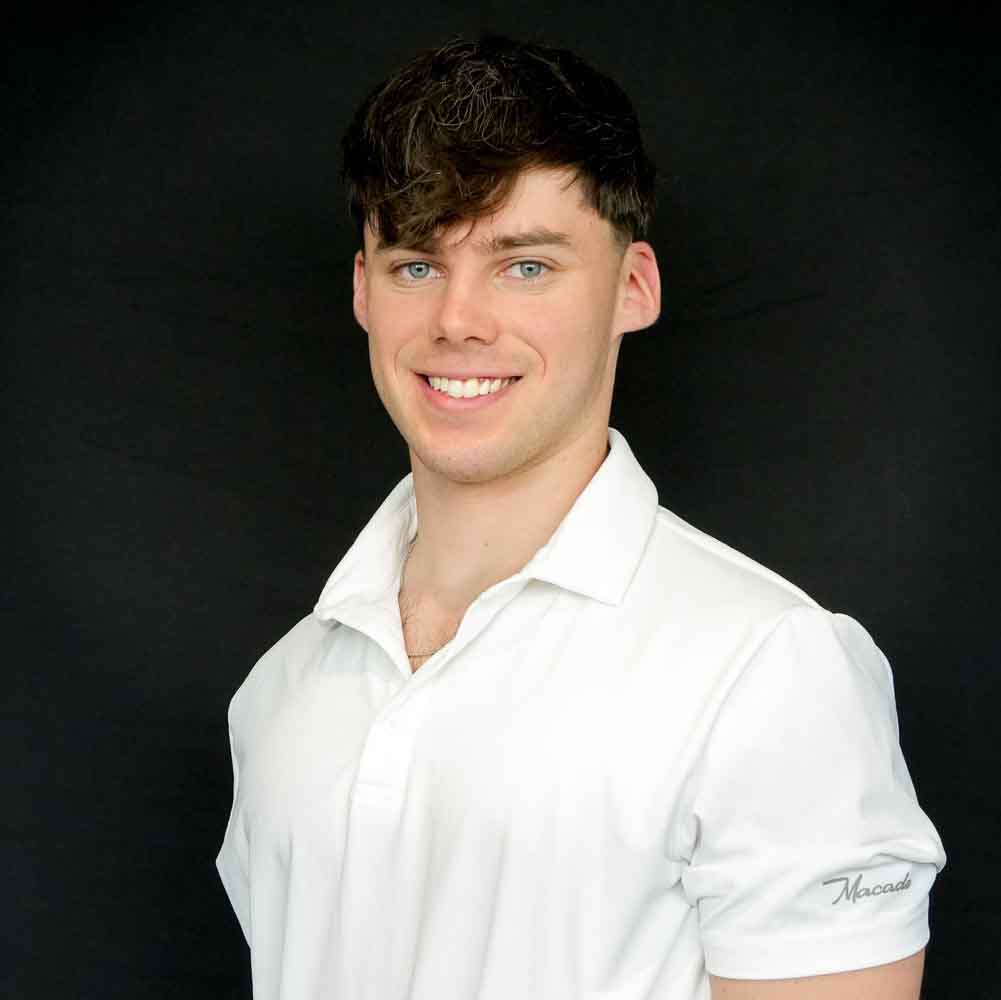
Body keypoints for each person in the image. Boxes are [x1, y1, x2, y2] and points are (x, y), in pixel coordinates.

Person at [216, 34, 945, 1000]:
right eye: (415, 266)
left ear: (632, 289)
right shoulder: (284, 688)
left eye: (524, 266)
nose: (458, 321)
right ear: (362, 289)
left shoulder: (769, 670)